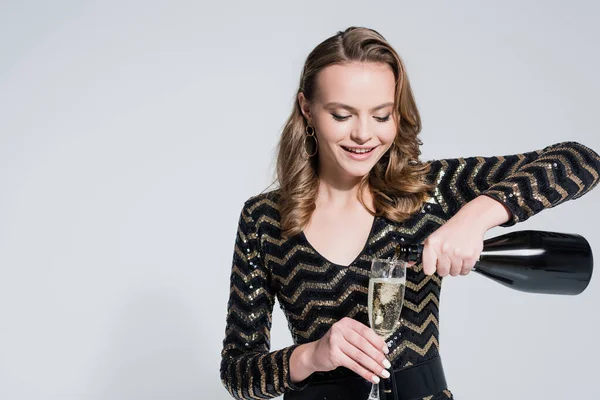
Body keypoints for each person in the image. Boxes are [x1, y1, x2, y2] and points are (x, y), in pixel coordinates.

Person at [219, 26, 600, 400]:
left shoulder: (428, 190)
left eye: (381, 116)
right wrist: (311, 355)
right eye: (341, 115)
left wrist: (476, 217)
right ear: (307, 108)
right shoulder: (264, 219)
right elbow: (237, 372)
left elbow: (581, 161)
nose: (364, 135)